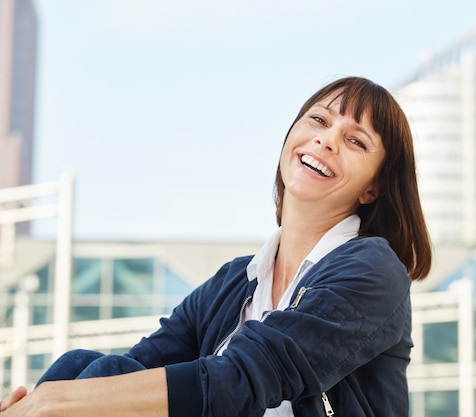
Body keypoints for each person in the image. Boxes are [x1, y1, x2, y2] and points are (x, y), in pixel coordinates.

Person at [0, 76, 432, 417]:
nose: (327, 140)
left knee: (85, 388)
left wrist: (50, 404)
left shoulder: (373, 270)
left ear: (373, 187)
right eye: (319, 120)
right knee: (84, 369)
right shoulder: (235, 280)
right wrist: (47, 401)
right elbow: (137, 372)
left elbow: (243, 379)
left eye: (355, 141)